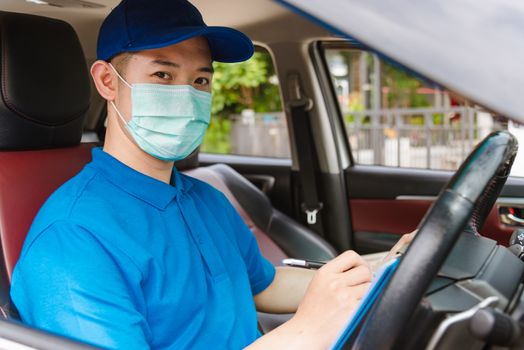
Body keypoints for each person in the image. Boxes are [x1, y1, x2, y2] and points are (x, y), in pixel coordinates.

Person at [10, 0, 412, 349]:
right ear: (106, 81)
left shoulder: (204, 198)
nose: (187, 94)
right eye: (163, 75)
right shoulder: (73, 237)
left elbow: (264, 286)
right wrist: (307, 332)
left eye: (200, 79)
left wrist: (380, 273)